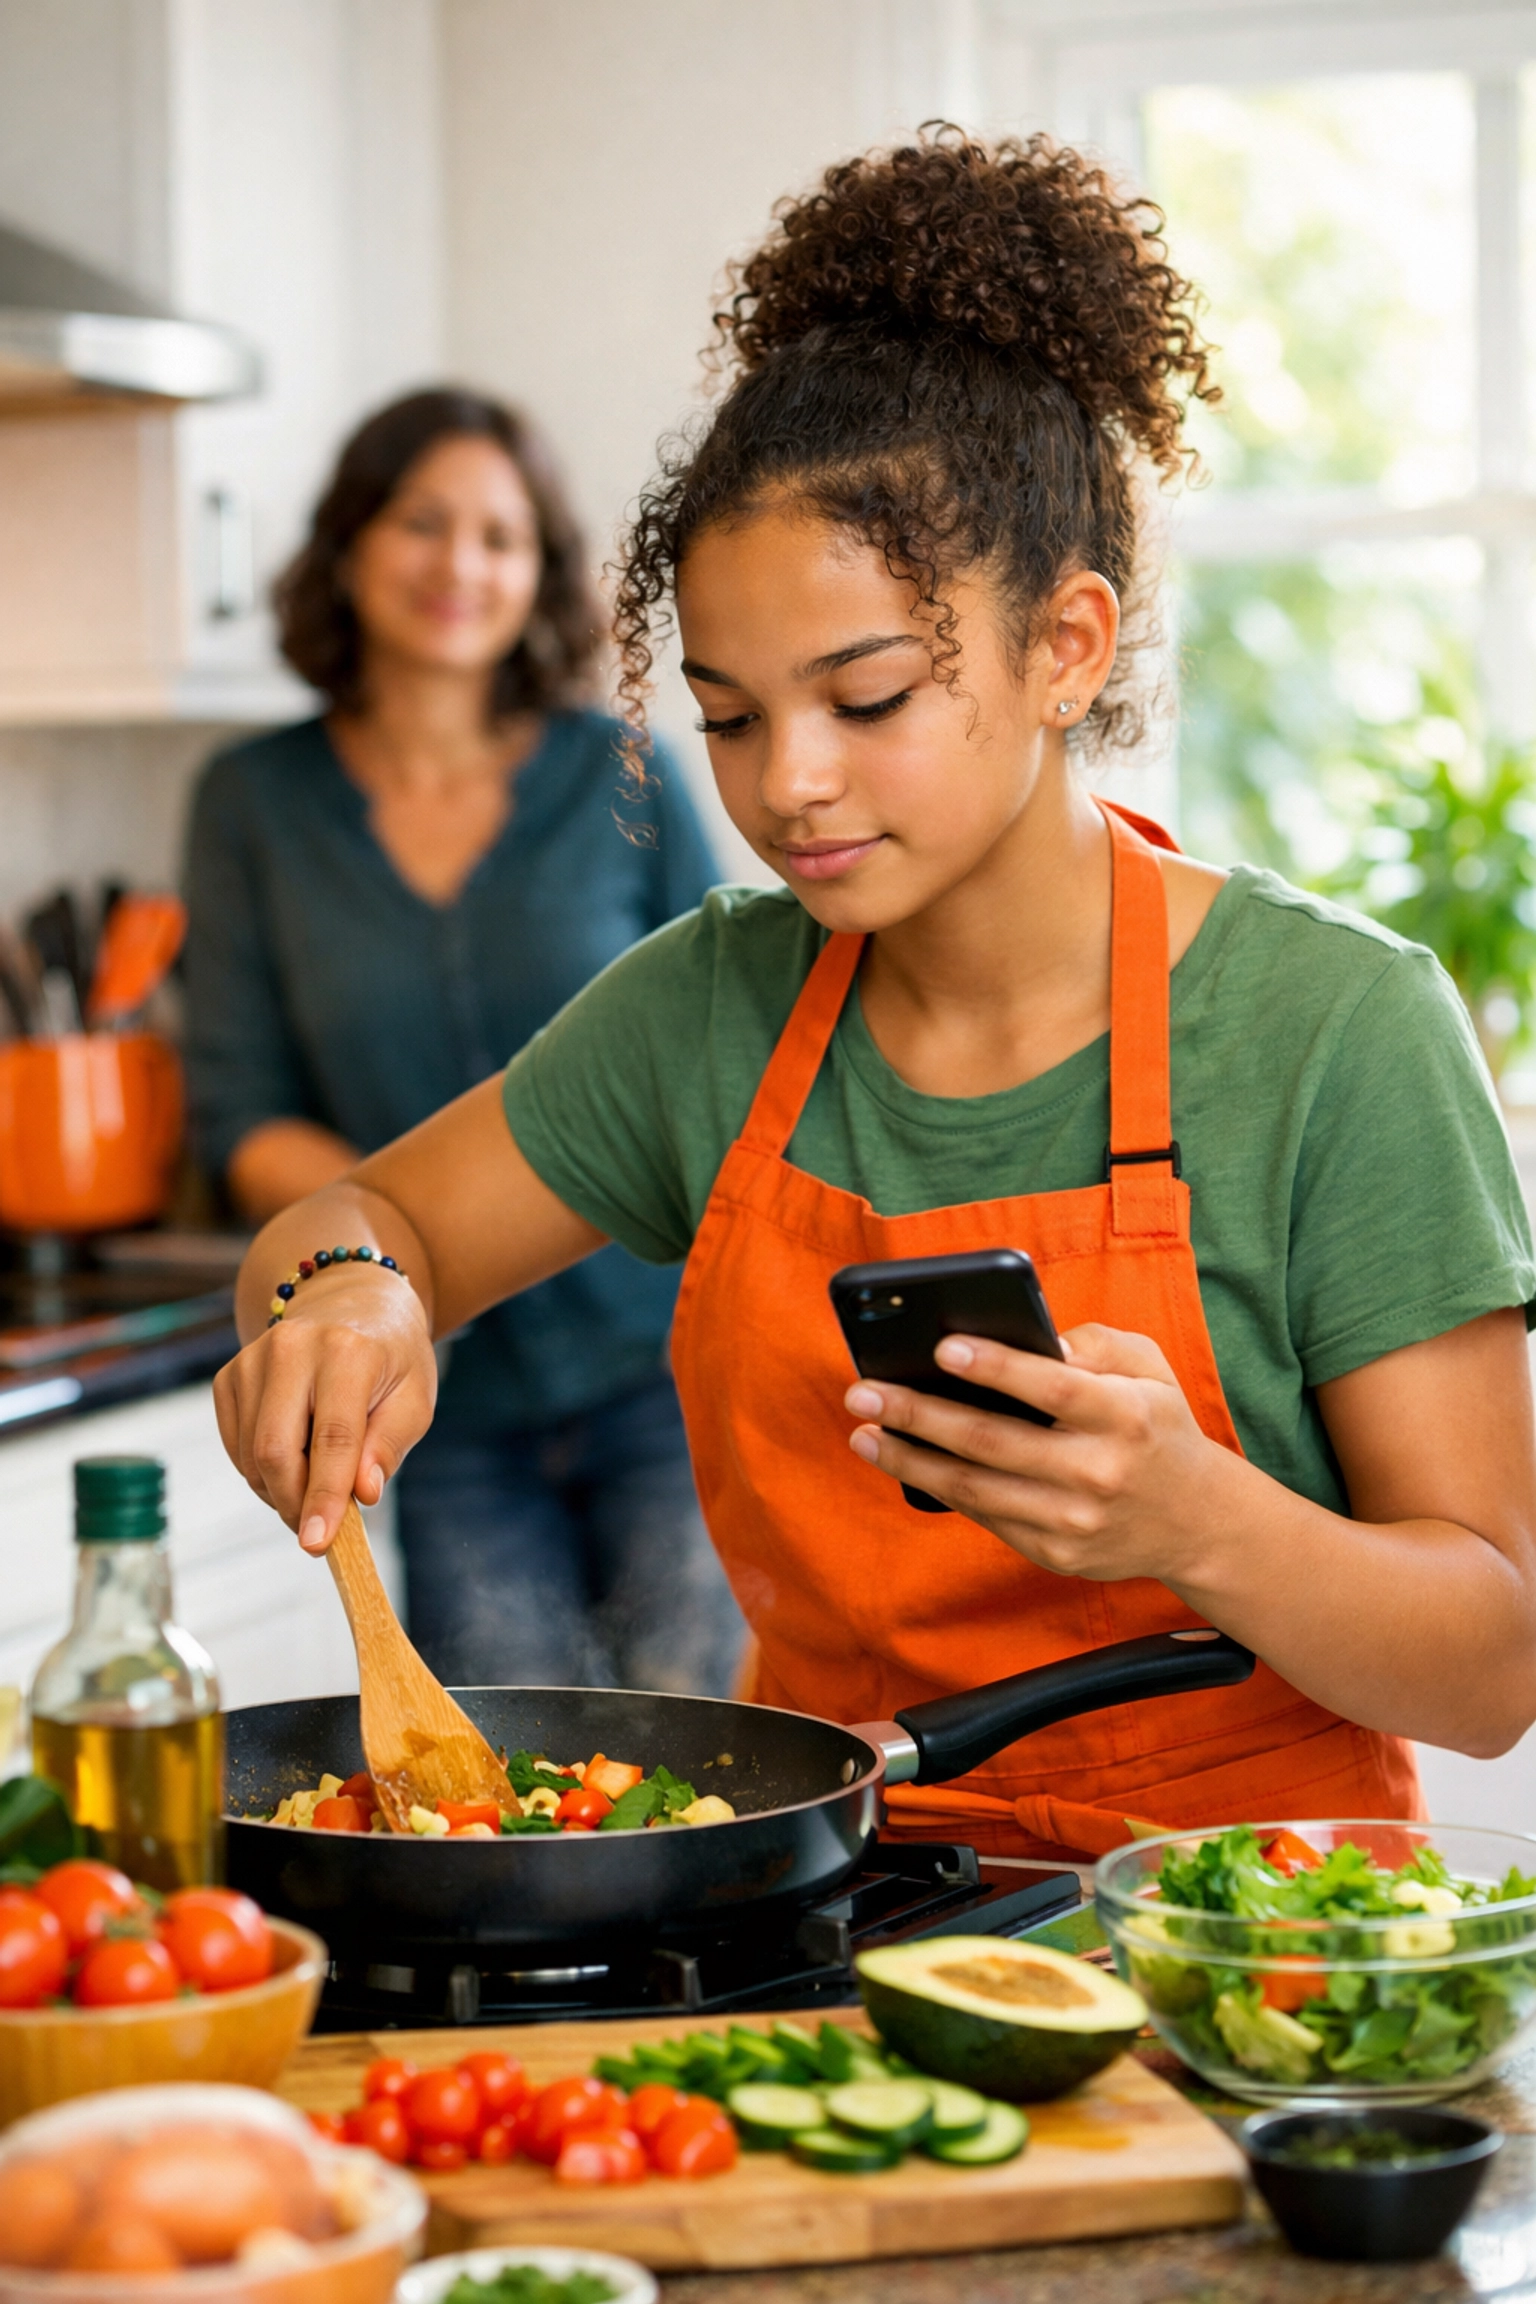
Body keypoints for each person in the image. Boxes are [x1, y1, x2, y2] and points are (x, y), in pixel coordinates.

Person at [210, 134, 1536, 1863]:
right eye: (736, 716)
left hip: (1247, 1952)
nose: (792, 787)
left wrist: (1197, 1517)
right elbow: (363, 1214)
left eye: (870, 694)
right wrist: (355, 1298)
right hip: (827, 1910)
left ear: (1064, 647)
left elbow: (1495, 1661)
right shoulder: (713, 1007)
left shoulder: (1336, 1029)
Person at [184, 387, 742, 1696]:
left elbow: (742, 1053)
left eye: (500, 535)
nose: (460, 564)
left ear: (540, 569)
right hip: (436, 1407)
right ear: (351, 546)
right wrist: (403, 1237)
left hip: (658, 1372)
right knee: (493, 1793)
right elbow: (237, 1109)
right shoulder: (251, 803)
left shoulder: (629, 773)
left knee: (703, 1754)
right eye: (423, 522)